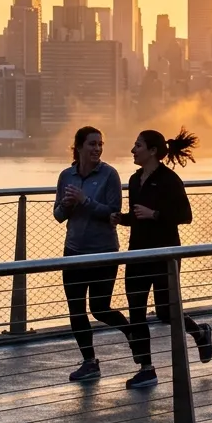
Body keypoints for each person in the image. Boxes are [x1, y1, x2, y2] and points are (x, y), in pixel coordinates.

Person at [113, 129, 212, 390]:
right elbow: (138, 216)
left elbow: (185, 215)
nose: (133, 150)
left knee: (165, 310)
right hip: (137, 253)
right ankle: (146, 369)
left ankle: (200, 333)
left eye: (137, 145)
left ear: (153, 151)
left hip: (165, 255)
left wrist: (155, 214)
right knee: (136, 311)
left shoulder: (169, 179)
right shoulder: (134, 180)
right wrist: (120, 218)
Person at [54, 126, 133, 383]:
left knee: (100, 308)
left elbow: (114, 211)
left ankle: (131, 332)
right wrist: (66, 205)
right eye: (91, 144)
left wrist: (84, 200)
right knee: (76, 310)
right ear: (78, 147)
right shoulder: (66, 176)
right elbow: (57, 215)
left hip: (103, 252)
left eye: (100, 144)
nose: (97, 149)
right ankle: (89, 362)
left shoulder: (109, 174)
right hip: (73, 251)